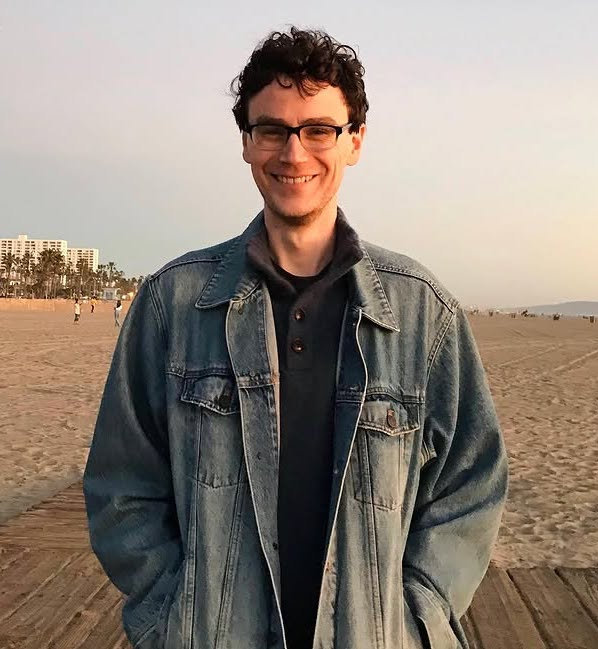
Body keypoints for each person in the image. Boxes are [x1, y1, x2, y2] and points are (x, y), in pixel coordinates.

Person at [84, 27, 508, 649]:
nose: (293, 152)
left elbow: (471, 484)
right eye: (272, 130)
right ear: (247, 143)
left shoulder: (422, 312)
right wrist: (171, 616)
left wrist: (415, 617)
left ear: (355, 141)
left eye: (318, 130)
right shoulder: (173, 303)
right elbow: (122, 485)